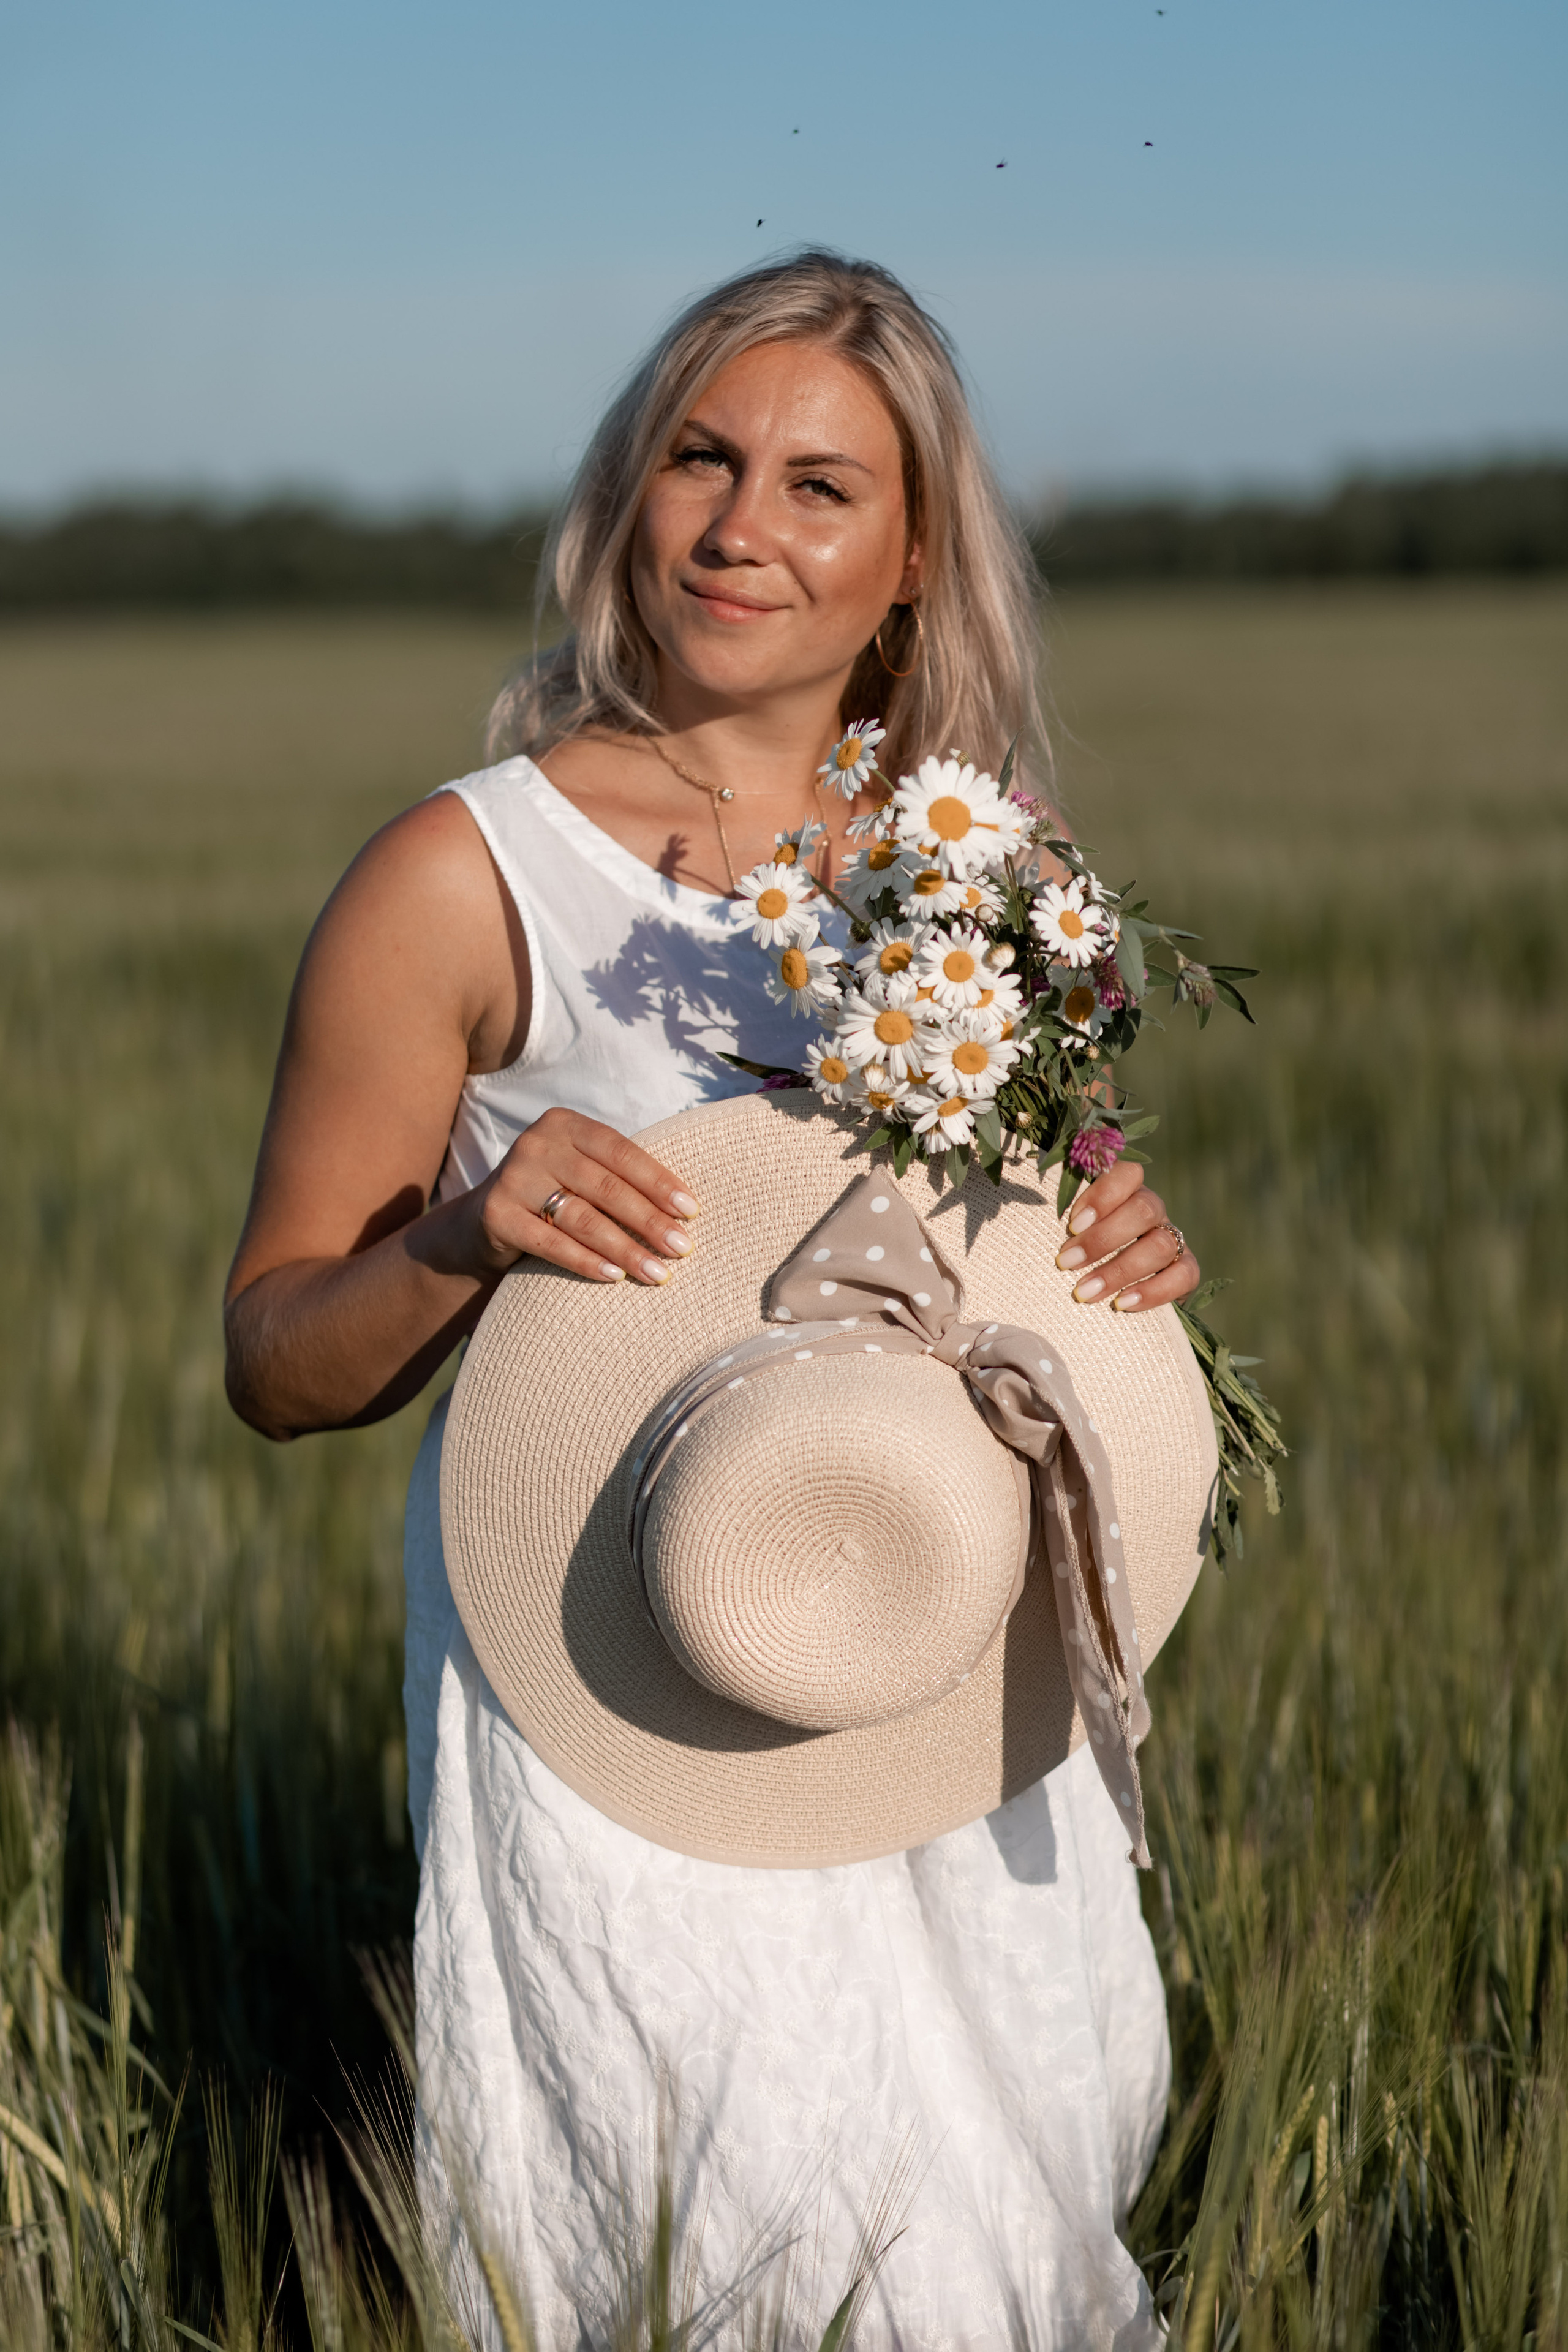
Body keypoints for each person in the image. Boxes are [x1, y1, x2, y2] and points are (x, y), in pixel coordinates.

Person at [226, 249, 1203, 2348]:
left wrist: (1125, 1261)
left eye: (821, 485)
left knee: (1016, 2201)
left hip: (938, 1619)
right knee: (741, 2222)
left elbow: (1044, 1232)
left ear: (917, 556)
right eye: (702, 455)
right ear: (629, 487)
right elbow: (273, 1357)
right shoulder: (460, 879)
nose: (743, 525)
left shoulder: (985, 871)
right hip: (615, 1653)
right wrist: (457, 1241)